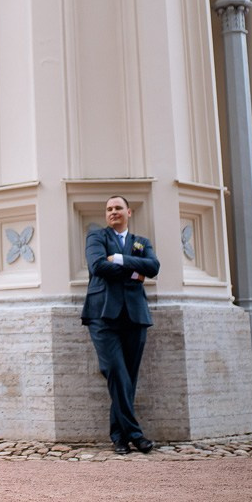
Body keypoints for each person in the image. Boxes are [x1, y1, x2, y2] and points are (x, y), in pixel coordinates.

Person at [81, 195, 160, 455]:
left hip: (135, 316)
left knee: (129, 379)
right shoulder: (96, 237)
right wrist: (136, 272)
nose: (113, 212)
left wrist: (121, 260)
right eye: (108, 209)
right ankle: (136, 435)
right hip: (102, 315)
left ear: (129, 211)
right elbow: (98, 266)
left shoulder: (141, 242)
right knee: (116, 372)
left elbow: (154, 266)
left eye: (118, 208)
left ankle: (119, 437)